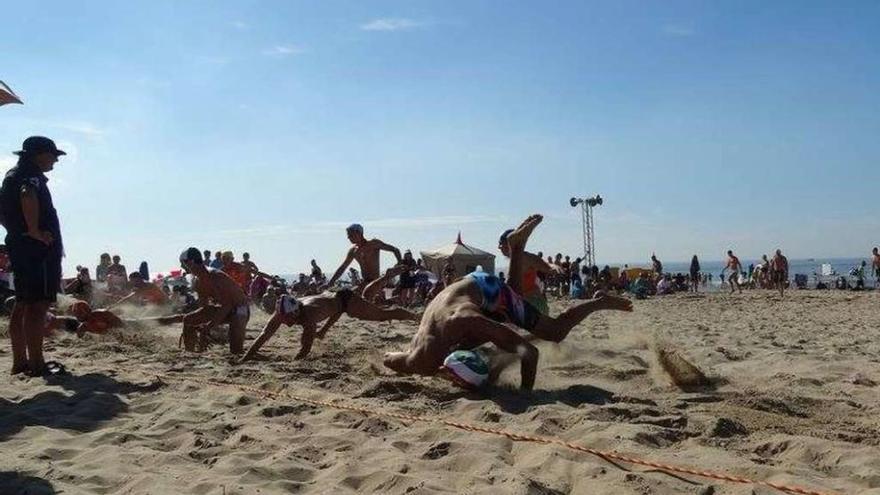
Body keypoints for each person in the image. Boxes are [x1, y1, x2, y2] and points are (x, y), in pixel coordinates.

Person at [383, 214, 632, 391]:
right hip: (467, 288)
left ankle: (597, 302)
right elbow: (388, 358)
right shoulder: (419, 356)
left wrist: (524, 395)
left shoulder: (437, 349)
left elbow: (530, 354)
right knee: (509, 299)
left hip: (480, 295)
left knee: (555, 332)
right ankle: (516, 246)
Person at [0, 136, 66, 376]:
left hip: (20, 245)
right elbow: (28, 194)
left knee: (22, 304)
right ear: (39, 154)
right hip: (36, 250)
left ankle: (20, 362)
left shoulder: (11, 176)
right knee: (38, 305)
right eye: (53, 155)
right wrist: (35, 230)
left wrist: (17, 231)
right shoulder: (30, 176)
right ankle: (37, 364)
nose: (56, 161)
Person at [239, 284, 419, 363]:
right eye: (285, 321)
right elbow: (264, 336)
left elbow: (304, 350)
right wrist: (245, 358)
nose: (287, 324)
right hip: (332, 301)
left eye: (290, 321)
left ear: (296, 313)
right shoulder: (281, 312)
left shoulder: (309, 315)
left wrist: (294, 362)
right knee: (329, 315)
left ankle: (414, 317)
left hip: (345, 299)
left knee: (381, 315)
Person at [178, 248, 250, 354]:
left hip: (240, 309)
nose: (181, 267)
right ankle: (191, 353)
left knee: (236, 351)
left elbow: (228, 305)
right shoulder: (198, 281)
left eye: (183, 263)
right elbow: (204, 307)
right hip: (225, 309)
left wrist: (209, 326)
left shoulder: (215, 276)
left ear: (191, 262)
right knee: (189, 320)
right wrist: (200, 326)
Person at [325, 223, 403, 300]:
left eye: (351, 235)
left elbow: (395, 250)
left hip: (376, 281)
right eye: (348, 235)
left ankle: (395, 301)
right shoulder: (353, 251)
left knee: (376, 303)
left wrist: (400, 263)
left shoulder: (373, 244)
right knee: (349, 299)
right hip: (365, 282)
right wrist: (331, 282)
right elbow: (343, 267)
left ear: (359, 233)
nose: (348, 237)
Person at [497, 227, 561, 316]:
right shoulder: (514, 260)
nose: (499, 247)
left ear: (510, 243)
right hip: (523, 304)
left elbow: (546, 265)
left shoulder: (525, 257)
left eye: (500, 243)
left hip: (532, 304)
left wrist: (555, 267)